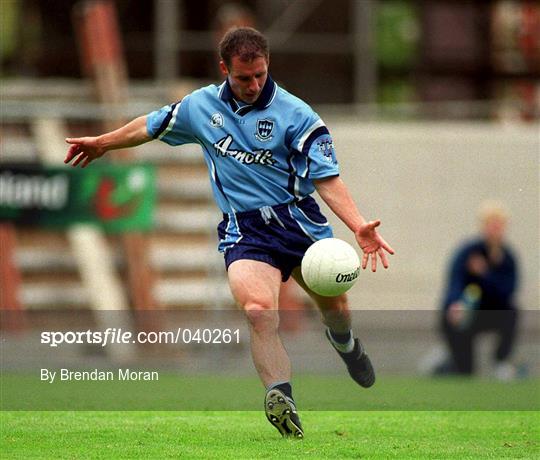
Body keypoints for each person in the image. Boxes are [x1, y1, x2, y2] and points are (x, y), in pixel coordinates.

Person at [64, 27, 394, 438]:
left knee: (336, 309)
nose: (254, 85)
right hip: (246, 229)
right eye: (243, 78)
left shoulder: (298, 115)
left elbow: (327, 179)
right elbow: (150, 125)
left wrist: (358, 224)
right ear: (225, 69)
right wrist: (103, 143)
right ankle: (282, 399)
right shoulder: (200, 106)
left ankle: (346, 346)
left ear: (267, 65)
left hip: (301, 224)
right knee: (258, 311)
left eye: (260, 75)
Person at [438, 201, 519, 379]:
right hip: (465, 314)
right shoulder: (468, 252)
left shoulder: (508, 258)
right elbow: (455, 281)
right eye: (491, 224)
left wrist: (485, 273)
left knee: (512, 311)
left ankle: (501, 361)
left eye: (499, 225)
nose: (495, 229)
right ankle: (446, 364)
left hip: (491, 313)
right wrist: (455, 302)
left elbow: (508, 291)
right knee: (465, 371)